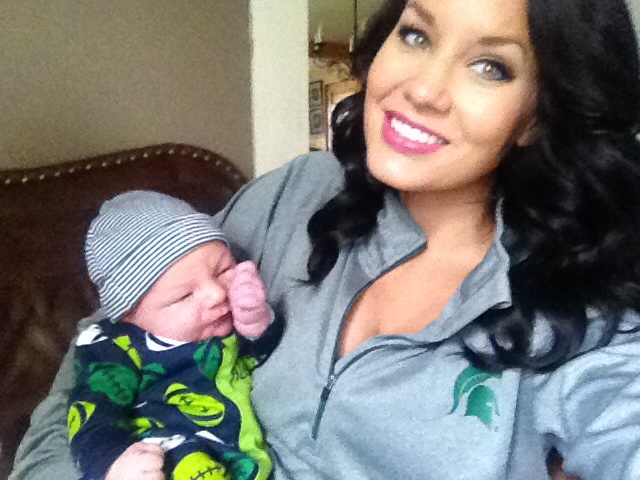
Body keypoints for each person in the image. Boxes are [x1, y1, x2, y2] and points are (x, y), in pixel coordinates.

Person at [11, 0, 640, 478]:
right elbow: (94, 368)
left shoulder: (581, 307)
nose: (422, 89)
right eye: (416, 35)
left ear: (537, 114)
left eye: (489, 67)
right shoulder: (293, 193)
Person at [68, 191, 277, 480]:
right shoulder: (116, 347)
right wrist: (111, 464)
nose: (216, 294)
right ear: (130, 315)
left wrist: (257, 322)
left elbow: (269, 356)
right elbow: (92, 413)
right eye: (183, 295)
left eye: (222, 270)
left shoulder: (229, 321)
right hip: (165, 459)